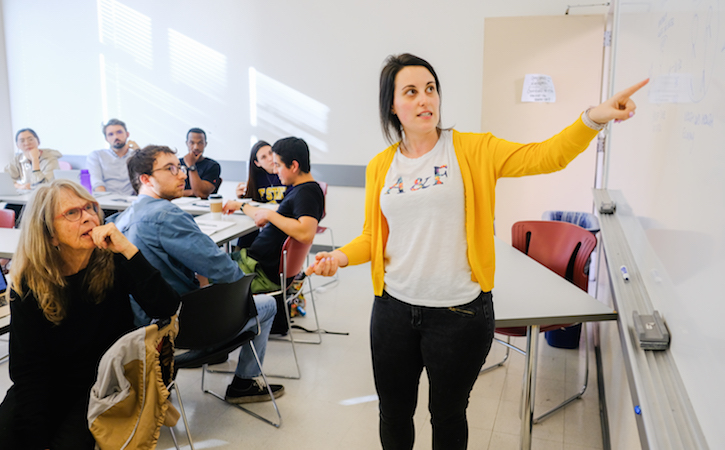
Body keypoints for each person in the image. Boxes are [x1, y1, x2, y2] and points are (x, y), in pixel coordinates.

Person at [309, 53, 648, 450]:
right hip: (393, 311)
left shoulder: (472, 149)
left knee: (448, 415)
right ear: (392, 106)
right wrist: (339, 257)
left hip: (459, 314)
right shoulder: (380, 166)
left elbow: (547, 156)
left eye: (431, 89)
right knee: (394, 412)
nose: (425, 100)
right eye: (411, 92)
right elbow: (373, 236)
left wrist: (593, 117)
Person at [0, 179, 180, 449]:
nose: (87, 218)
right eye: (72, 213)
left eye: (90, 208)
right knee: (12, 432)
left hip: (106, 382)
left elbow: (166, 307)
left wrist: (128, 250)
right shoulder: (29, 284)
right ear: (50, 234)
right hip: (49, 381)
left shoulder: (113, 259)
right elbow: (28, 372)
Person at [108, 145, 284, 403]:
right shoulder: (165, 214)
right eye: (171, 169)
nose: (181, 175)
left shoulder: (121, 219)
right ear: (146, 179)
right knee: (267, 303)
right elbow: (221, 268)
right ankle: (244, 383)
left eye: (179, 167)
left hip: (140, 325)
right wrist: (241, 297)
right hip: (181, 326)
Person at [223, 137, 324, 294]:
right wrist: (240, 205)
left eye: (278, 165)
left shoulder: (306, 193)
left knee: (201, 269)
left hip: (258, 270)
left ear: (294, 166)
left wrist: (271, 216)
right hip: (257, 263)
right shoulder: (302, 190)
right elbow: (263, 214)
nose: (275, 170)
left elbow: (305, 233)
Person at [86, 118, 139, 195]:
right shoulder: (96, 155)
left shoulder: (135, 156)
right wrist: (105, 202)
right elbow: (96, 182)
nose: (116, 137)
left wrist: (139, 152)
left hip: (133, 201)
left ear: (127, 134)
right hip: (107, 201)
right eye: (111, 134)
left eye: (119, 132)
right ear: (106, 139)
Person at [179, 127, 221, 198]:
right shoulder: (176, 163)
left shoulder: (212, 166)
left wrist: (191, 166)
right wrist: (191, 192)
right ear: (187, 143)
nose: (196, 147)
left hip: (200, 207)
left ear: (205, 144)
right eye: (192, 143)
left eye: (200, 143)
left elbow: (200, 194)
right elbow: (167, 192)